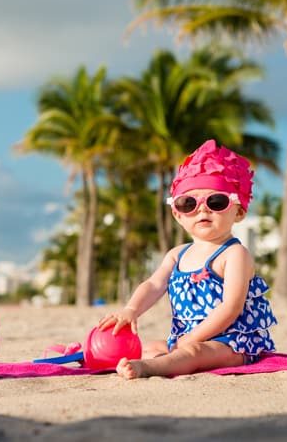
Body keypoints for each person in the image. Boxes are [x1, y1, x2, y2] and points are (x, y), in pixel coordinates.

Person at [97, 139, 277, 379]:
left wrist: (192, 338)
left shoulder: (234, 254)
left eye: (216, 202)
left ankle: (148, 369)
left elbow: (231, 308)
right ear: (177, 215)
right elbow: (153, 285)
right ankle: (148, 360)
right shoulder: (177, 254)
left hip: (232, 341)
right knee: (152, 348)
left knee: (192, 352)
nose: (203, 210)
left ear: (239, 211)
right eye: (188, 203)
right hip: (184, 338)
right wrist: (131, 310)